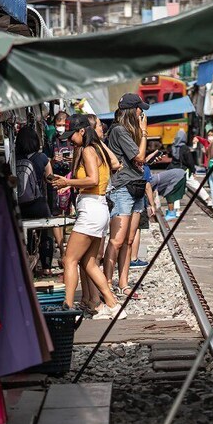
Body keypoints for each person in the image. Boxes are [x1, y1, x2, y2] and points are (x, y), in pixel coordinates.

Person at [50, 114, 126, 319]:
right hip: (98, 208)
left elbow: (92, 179)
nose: (68, 139)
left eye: (71, 135)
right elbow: (115, 164)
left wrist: (67, 183)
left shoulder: (88, 150)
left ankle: (68, 308)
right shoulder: (98, 148)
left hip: (91, 209)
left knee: (69, 259)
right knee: (89, 263)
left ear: (82, 131)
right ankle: (111, 305)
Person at [104, 93, 149, 299]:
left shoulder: (128, 131)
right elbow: (139, 157)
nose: (142, 112)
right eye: (140, 109)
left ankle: (123, 283)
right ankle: (106, 283)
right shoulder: (120, 130)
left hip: (136, 186)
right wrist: (144, 132)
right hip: (123, 188)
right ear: (133, 111)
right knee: (117, 240)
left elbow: (138, 161)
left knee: (129, 240)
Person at [15, 127, 55, 275]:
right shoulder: (42, 157)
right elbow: (50, 178)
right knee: (46, 232)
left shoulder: (14, 158)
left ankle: (23, 265)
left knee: (22, 233)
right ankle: (47, 267)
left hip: (19, 206)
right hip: (37, 204)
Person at [48, 111, 73, 261]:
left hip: (71, 180)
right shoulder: (51, 141)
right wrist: (53, 160)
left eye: (63, 125)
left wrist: (73, 159)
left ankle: (69, 247)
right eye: (58, 125)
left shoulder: (73, 139)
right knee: (57, 214)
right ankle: (62, 248)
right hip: (56, 180)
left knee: (69, 213)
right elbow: (47, 162)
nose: (61, 128)